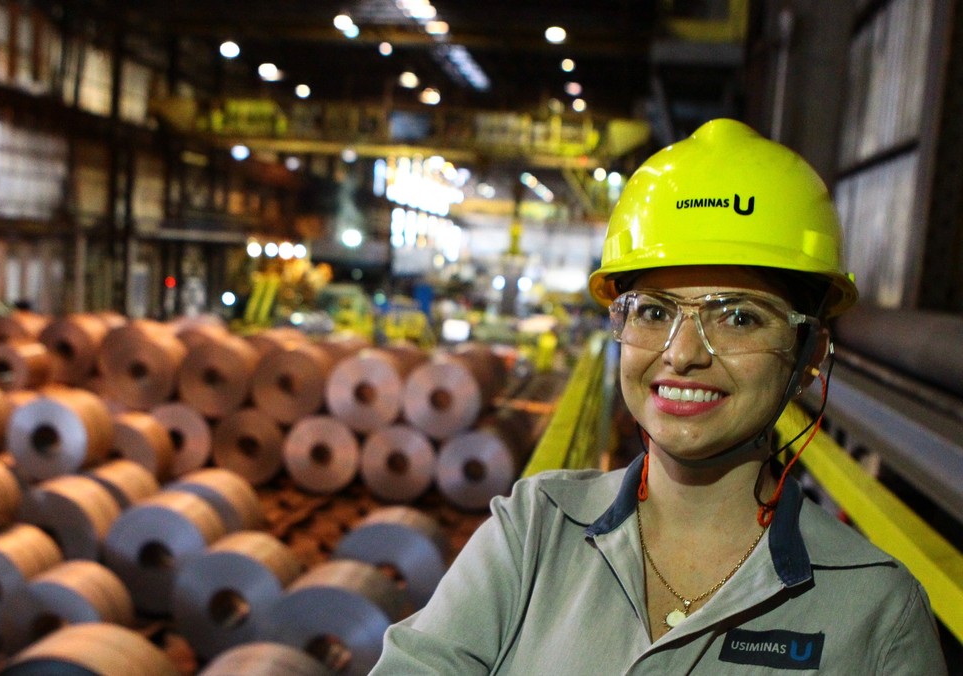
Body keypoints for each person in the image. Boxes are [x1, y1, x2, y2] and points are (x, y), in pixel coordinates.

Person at [370, 119, 947, 673]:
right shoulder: (533, 530)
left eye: (740, 318)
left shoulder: (876, 614)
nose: (682, 353)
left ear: (810, 355)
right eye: (653, 312)